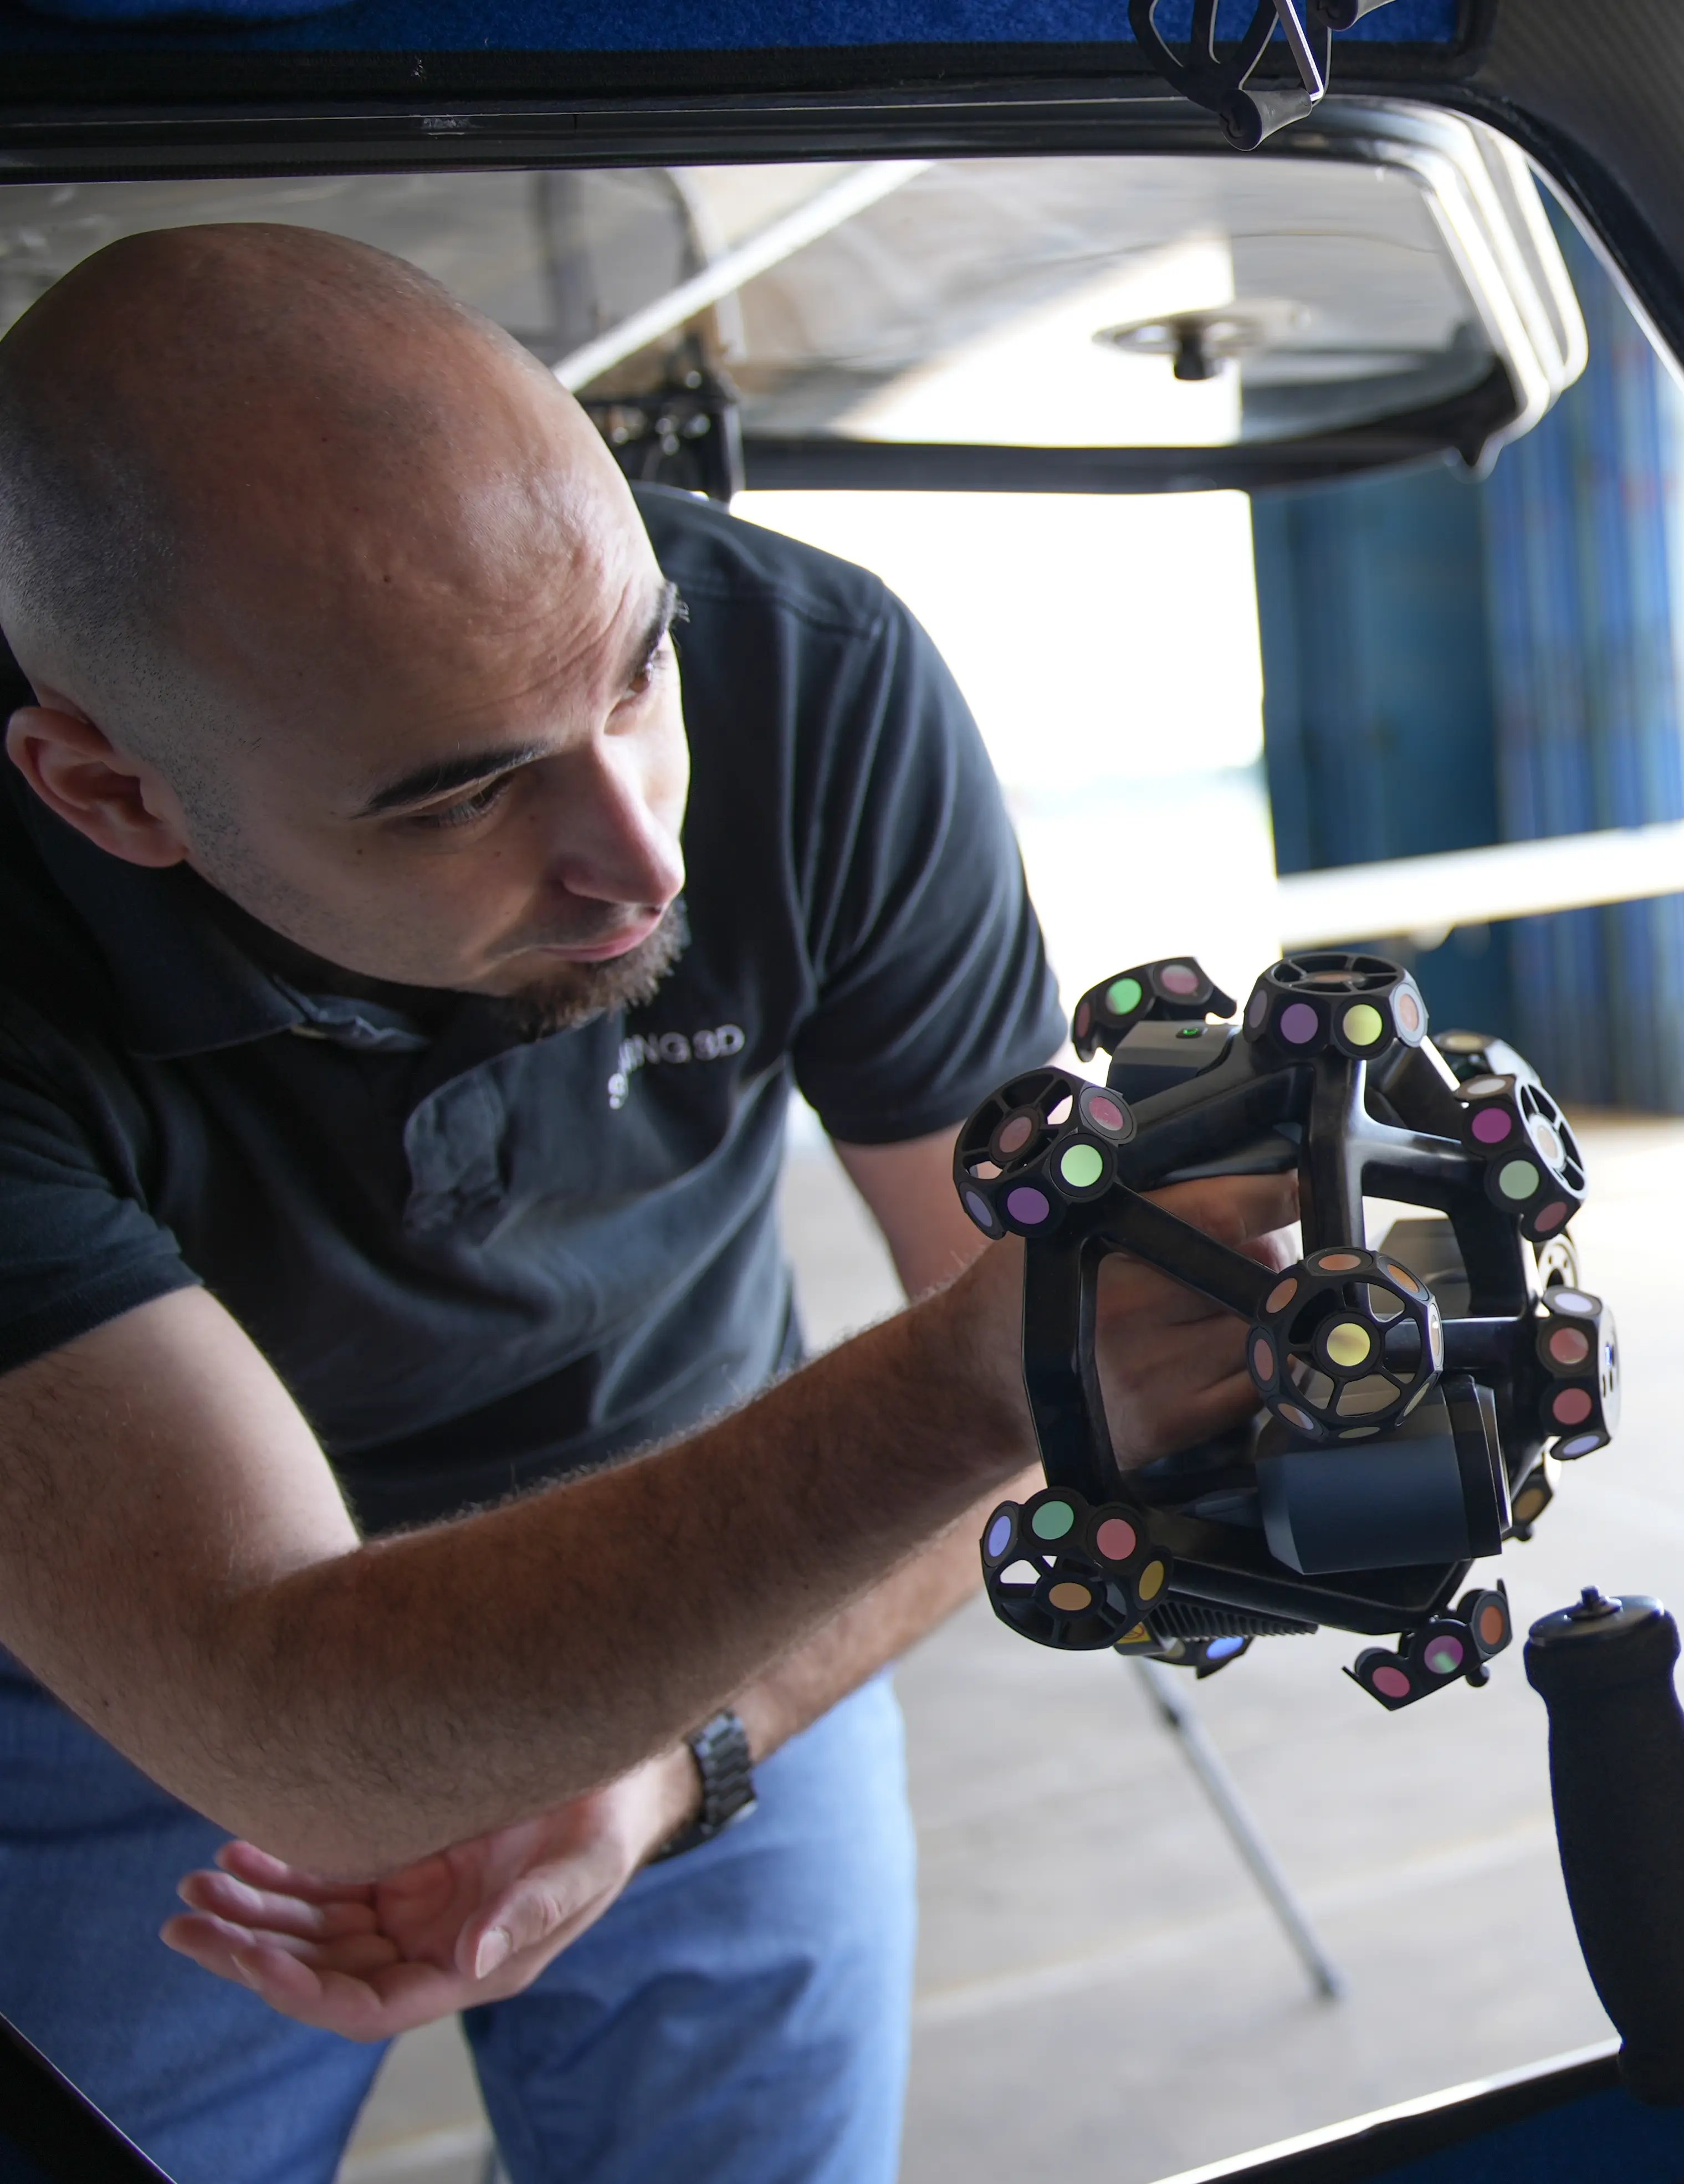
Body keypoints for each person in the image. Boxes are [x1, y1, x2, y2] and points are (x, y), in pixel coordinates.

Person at [0, 223, 1290, 2184]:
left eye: (635, 674)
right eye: (459, 796)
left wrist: (694, 1749)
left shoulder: (811, 675)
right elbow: (276, 1711)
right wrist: (991, 1379)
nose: (641, 854)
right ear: (108, 793)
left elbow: (1019, 1339)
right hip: (144, 1701)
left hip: (737, 1588)